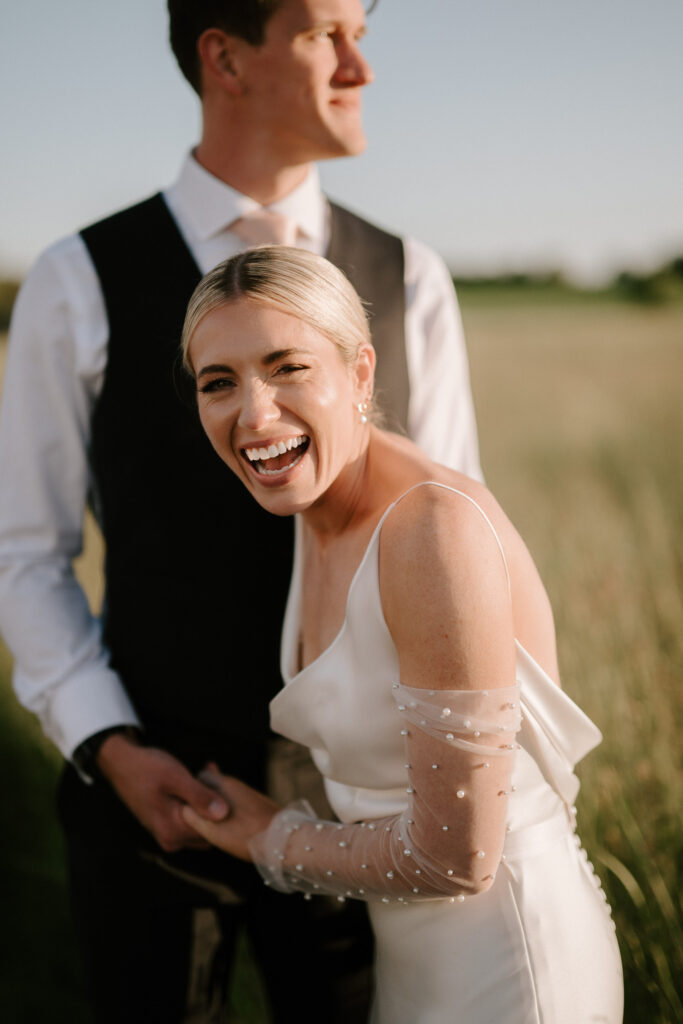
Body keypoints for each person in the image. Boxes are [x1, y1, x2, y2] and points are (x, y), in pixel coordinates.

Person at [0, 1, 482, 1022]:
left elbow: (454, 538)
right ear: (223, 55)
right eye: (324, 35)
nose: (362, 67)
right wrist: (108, 746)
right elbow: (25, 553)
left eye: (365, 29)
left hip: (366, 806)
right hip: (149, 793)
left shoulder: (411, 279)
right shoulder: (76, 278)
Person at [179, 245, 624, 1023]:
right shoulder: (309, 510)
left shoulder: (429, 532)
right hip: (414, 965)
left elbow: (459, 859)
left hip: (511, 968)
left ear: (359, 374)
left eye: (287, 367)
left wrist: (268, 838)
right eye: (219, 382)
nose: (253, 414)